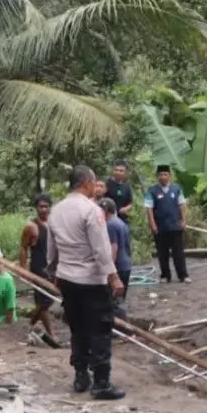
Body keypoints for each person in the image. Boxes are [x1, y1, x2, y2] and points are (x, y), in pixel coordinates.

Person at [47, 165, 125, 400]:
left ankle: (81, 376)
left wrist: (55, 274)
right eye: (94, 182)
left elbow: (52, 251)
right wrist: (113, 277)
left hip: (68, 278)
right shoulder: (91, 210)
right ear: (86, 183)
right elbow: (101, 250)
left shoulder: (56, 211)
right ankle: (101, 382)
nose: (96, 186)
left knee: (77, 329)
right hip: (91, 279)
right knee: (100, 329)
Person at [20, 194, 59, 345]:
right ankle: (51, 333)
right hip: (39, 268)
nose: (43, 209)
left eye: (46, 206)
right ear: (36, 208)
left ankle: (30, 322)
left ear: (51, 207)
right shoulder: (31, 227)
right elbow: (23, 248)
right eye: (40, 206)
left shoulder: (56, 224)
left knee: (49, 300)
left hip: (55, 268)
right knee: (43, 300)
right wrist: (23, 270)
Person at [145, 165, 188, 283]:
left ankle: (183, 275)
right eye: (160, 175)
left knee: (178, 253)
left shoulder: (177, 188)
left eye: (165, 174)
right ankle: (165, 275)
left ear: (169, 176)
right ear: (157, 176)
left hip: (175, 226)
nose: (163, 177)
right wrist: (152, 224)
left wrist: (183, 220)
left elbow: (182, 205)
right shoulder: (152, 190)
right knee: (162, 253)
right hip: (160, 227)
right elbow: (149, 209)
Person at [100, 197, 132, 318]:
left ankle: (122, 328)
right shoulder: (121, 223)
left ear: (106, 210)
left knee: (113, 302)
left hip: (118, 266)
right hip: (126, 265)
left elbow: (113, 248)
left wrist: (110, 270)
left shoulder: (110, 225)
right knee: (119, 300)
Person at [105, 160, 134, 224]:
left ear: (125, 173)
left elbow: (130, 202)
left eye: (121, 171)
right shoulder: (107, 184)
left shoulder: (127, 187)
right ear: (113, 171)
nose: (118, 172)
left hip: (122, 219)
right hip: (108, 219)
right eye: (116, 170)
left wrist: (126, 208)